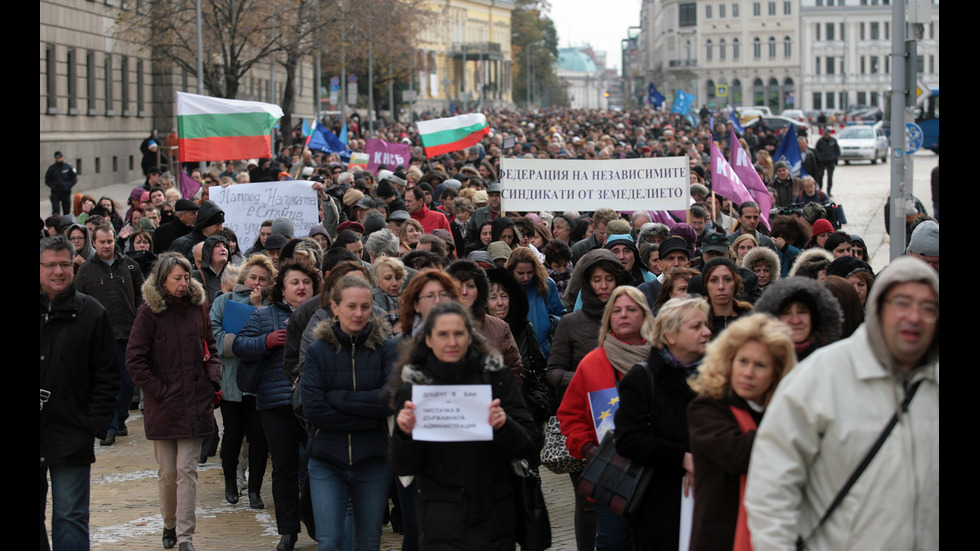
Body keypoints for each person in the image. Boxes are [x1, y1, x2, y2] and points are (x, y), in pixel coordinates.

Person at [745, 257, 939, 550]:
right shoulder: (821, 377)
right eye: (902, 303)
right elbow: (771, 490)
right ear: (878, 308)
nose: (914, 316)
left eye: (928, 308)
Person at [388, 302, 539, 550]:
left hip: (494, 515)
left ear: (470, 336)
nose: (452, 342)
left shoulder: (497, 379)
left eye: (459, 333)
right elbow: (402, 465)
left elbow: (530, 443)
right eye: (443, 335)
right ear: (428, 339)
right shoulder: (414, 389)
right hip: (441, 520)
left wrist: (504, 425)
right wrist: (405, 434)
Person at [126, 252, 221, 551]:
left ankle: (185, 536)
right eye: (176, 278)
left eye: (185, 277)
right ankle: (169, 523)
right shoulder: (149, 312)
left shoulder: (198, 306)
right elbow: (135, 359)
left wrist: (212, 380)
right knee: (167, 473)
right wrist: (159, 391)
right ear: (163, 280)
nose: (183, 283)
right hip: (164, 404)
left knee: (187, 470)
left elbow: (212, 346)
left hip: (195, 401)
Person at [558, 286, 658, 551]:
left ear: (645, 315)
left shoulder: (662, 360)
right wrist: (587, 448)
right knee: (614, 544)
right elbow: (570, 415)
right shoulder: (592, 363)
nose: (623, 315)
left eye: (631, 309)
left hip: (657, 474)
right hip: (612, 476)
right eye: (617, 310)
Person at [686, 314, 797, 551]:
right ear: (729, 361)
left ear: (776, 373)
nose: (748, 372)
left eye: (760, 365)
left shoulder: (780, 412)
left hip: (776, 535)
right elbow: (739, 455)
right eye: (743, 361)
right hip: (723, 539)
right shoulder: (707, 408)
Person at [302, 275, 397, 551]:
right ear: (335, 307)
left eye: (365, 307)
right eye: (351, 306)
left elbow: (390, 400)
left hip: (373, 459)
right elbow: (314, 409)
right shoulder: (319, 350)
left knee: (368, 542)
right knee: (330, 541)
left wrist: (338, 399)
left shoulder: (386, 348)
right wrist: (369, 414)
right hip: (327, 459)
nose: (359, 313)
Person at [235, 260, 321, 551]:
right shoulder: (265, 315)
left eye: (306, 282)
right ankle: (288, 531)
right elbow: (239, 345)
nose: (301, 287)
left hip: (315, 404)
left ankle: (314, 519)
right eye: (294, 282)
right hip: (276, 404)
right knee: (284, 469)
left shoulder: (322, 315)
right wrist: (266, 341)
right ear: (282, 289)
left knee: (317, 465)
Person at [613, 297, 712, 550]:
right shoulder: (644, 378)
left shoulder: (716, 376)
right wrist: (682, 458)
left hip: (710, 495)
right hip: (659, 504)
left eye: (706, 325)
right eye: (696, 326)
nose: (707, 332)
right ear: (670, 336)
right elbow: (628, 439)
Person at [40, 236, 120, 551]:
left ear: (74, 265)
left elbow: (107, 374)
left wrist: (92, 424)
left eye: (64, 264)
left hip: (72, 430)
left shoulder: (92, 313)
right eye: (49, 265)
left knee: (70, 517)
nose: (58, 271)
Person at [209, 255, 276, 508]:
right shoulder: (223, 301)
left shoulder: (273, 304)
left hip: (260, 382)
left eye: (262, 279)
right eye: (253, 277)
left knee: (258, 436)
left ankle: (255, 490)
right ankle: (230, 483)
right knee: (233, 433)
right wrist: (245, 345)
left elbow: (272, 338)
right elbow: (214, 337)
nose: (256, 282)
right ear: (243, 277)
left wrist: (258, 309)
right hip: (231, 380)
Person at [74, 223, 144, 447]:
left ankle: (120, 418)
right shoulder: (86, 271)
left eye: (110, 241)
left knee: (127, 381)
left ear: (115, 241)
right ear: (93, 243)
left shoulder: (130, 266)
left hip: (128, 332)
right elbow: (78, 302)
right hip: (99, 336)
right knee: (106, 382)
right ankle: (110, 427)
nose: (106, 245)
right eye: (102, 242)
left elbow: (141, 298)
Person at [754, 276, 843, 361]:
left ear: (813, 318)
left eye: (802, 312)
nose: (795, 320)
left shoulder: (831, 361)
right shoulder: (758, 360)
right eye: (786, 313)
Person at [505, 247, 566, 360]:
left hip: (544, 352)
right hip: (516, 353)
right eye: (521, 273)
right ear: (512, 270)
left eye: (530, 272)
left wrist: (552, 322)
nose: (526, 277)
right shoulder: (504, 288)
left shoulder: (546, 285)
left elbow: (562, 314)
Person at [700, 258, 754, 337]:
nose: (721, 286)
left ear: (735, 283)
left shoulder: (751, 320)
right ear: (706, 285)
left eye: (727, 279)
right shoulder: (698, 322)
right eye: (714, 280)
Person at [45, 151, 78, 216]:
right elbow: (47, 180)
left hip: (66, 192)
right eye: (57, 158)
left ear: (62, 157)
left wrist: (68, 186)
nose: (59, 159)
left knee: (66, 210)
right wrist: (53, 186)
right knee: (55, 210)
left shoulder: (67, 167)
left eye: (60, 157)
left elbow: (74, 178)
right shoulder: (52, 168)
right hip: (55, 192)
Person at [815, 130, 841, 195]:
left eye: (827, 134)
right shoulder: (820, 141)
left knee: (830, 177)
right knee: (820, 176)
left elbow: (837, 151)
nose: (826, 135)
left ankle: (829, 191)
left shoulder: (833, 141)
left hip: (830, 161)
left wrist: (834, 158)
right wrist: (819, 158)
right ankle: (820, 190)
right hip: (822, 162)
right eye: (825, 134)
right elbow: (816, 151)